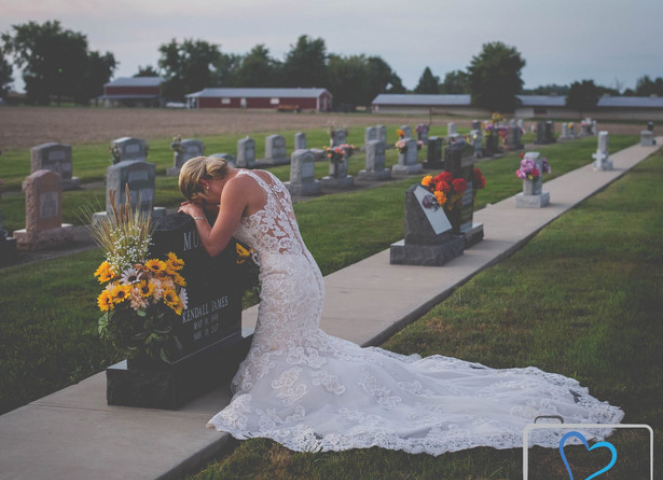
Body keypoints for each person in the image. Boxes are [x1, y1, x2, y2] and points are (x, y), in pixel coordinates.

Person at [178, 156, 623, 455]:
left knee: (287, 356)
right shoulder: (261, 175)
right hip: (303, 269)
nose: (211, 203)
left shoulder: (233, 186)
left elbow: (215, 244)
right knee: (299, 348)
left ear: (204, 181)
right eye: (205, 204)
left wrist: (195, 216)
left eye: (205, 197)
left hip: (286, 277)